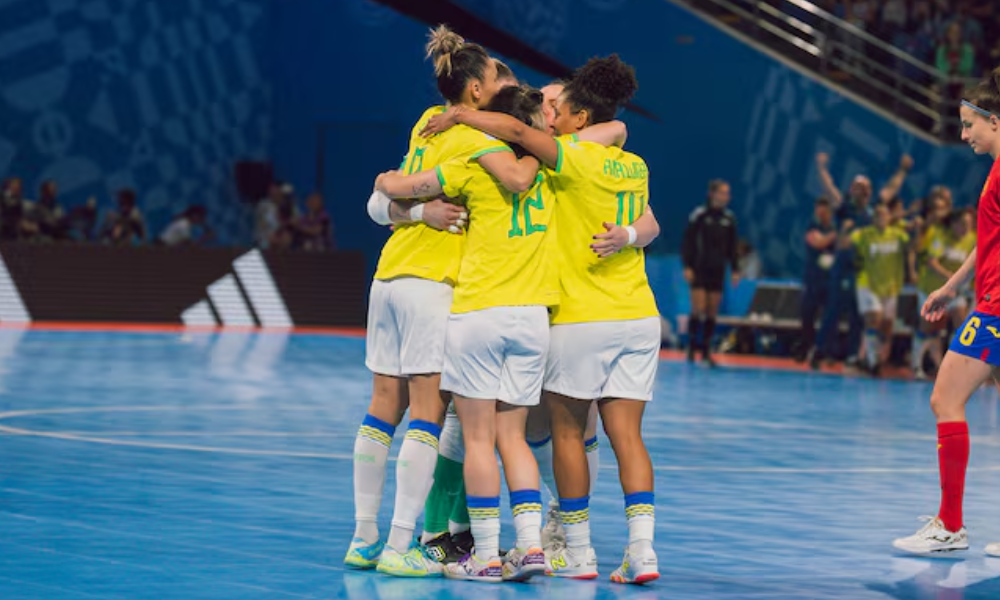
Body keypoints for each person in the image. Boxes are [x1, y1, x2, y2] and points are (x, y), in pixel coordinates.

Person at [422, 53, 662, 584]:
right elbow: (627, 159)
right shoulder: (634, 164)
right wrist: (628, 234)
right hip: (635, 314)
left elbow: (517, 133)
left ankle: (567, 547)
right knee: (622, 437)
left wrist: (459, 116)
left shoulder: (562, 161)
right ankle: (640, 551)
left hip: (571, 315)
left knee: (558, 432)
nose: (548, 115)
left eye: (558, 107)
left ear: (579, 117)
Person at [346, 25, 538, 578]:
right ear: (477, 90)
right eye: (497, 78)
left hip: (388, 276)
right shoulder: (481, 141)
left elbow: (382, 194)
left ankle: (363, 537)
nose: (505, 86)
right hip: (434, 285)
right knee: (428, 416)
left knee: (382, 407)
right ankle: (400, 545)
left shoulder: (425, 124)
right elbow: (521, 171)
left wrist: (413, 210)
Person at [377, 84, 558, 583]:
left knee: (476, 439)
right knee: (513, 438)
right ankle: (530, 547)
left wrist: (387, 179)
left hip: (480, 311)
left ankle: (485, 554)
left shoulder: (469, 166)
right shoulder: (555, 170)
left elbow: (399, 188)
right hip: (533, 317)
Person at [892, 67, 1000, 555]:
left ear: (994, 121)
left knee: (944, 399)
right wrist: (952, 287)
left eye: (968, 125)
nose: (962, 135)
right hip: (987, 299)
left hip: (996, 309)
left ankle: (950, 526)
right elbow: (987, 241)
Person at [682, 179, 739, 367]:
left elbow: (732, 246)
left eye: (727, 193)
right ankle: (692, 347)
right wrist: (688, 266)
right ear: (712, 194)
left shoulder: (729, 219)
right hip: (700, 268)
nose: (725, 197)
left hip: (718, 269)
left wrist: (735, 269)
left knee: (712, 311)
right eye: (722, 192)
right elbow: (688, 242)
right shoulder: (699, 215)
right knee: (698, 308)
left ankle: (706, 350)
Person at [848, 204, 910, 375]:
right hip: (868, 284)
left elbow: (913, 246)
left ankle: (874, 357)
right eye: (877, 215)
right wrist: (847, 230)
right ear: (872, 218)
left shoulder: (898, 234)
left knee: (886, 326)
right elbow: (846, 242)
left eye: (884, 215)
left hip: (890, 286)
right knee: (873, 317)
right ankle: (872, 362)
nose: (880, 218)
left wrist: (907, 222)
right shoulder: (864, 234)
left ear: (889, 217)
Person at [799, 197, 837, 364]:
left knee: (830, 318)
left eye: (824, 210)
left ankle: (825, 351)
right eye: (818, 209)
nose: (821, 213)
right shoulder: (812, 227)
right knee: (807, 314)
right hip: (812, 279)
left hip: (830, 281)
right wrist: (837, 234)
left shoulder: (835, 227)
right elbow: (819, 243)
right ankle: (808, 347)